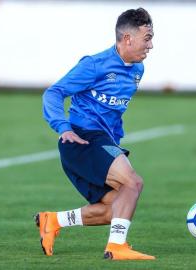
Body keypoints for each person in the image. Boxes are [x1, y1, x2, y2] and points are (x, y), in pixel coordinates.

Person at [35, 7, 155, 260]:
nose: (151, 45)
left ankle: (53, 221)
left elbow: (112, 114)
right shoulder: (94, 65)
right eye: (147, 38)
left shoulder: (137, 70)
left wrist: (114, 145)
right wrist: (63, 126)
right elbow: (53, 93)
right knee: (133, 183)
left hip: (101, 142)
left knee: (118, 208)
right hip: (80, 137)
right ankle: (116, 247)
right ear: (127, 39)